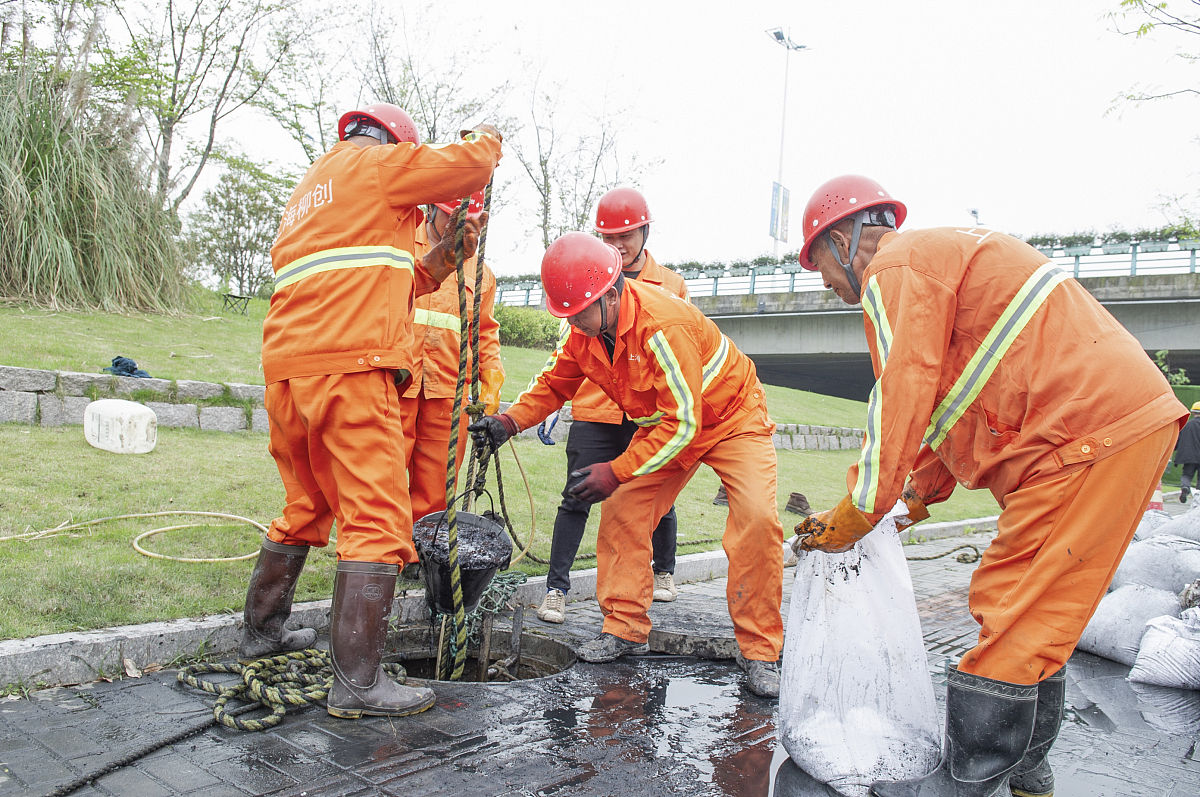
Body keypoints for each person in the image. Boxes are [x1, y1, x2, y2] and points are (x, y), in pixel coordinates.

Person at [789, 174, 1187, 796]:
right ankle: (1025, 767)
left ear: (843, 240)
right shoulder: (939, 263)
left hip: (1083, 434)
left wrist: (860, 510)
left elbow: (902, 392)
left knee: (1012, 606)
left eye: (819, 264)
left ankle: (964, 782)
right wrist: (914, 497)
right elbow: (954, 404)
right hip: (1104, 429)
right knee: (1039, 609)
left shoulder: (895, 269)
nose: (824, 283)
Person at [239, 102, 502, 721]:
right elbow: (471, 164)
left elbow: (380, 280)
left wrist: (440, 261)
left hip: (289, 371)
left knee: (306, 505)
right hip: (350, 370)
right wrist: (485, 136)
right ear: (391, 144)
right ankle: (357, 683)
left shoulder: (313, 189)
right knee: (379, 519)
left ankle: (261, 633)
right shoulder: (377, 165)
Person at [470, 232, 785, 698]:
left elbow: (685, 422)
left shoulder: (663, 324)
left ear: (611, 296)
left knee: (757, 519)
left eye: (579, 314)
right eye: (566, 315)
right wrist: (508, 423)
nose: (573, 324)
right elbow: (556, 383)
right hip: (671, 425)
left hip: (731, 418)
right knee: (622, 512)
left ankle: (760, 651)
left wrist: (615, 470)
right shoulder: (586, 330)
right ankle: (623, 627)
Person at [536, 187, 687, 626]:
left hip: (651, 412)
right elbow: (568, 348)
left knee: (657, 494)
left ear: (645, 231)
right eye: (609, 236)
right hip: (596, 406)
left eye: (626, 235)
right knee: (576, 494)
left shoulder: (671, 285)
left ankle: (664, 572)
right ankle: (555, 589)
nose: (618, 245)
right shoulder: (586, 274)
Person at [400, 189, 504, 528]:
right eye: (453, 217)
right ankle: (376, 556)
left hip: (448, 391)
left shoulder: (481, 272)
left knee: (435, 485)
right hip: (396, 382)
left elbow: (486, 334)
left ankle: (421, 553)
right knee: (381, 477)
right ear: (430, 208)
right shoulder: (399, 247)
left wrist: (490, 386)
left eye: (472, 220)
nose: (462, 226)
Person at [1176, 401, 1200, 503]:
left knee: (1187, 475)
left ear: (1193, 412)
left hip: (1189, 457)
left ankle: (1185, 487)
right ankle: (1198, 499)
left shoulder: (1187, 425)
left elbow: (1178, 440)